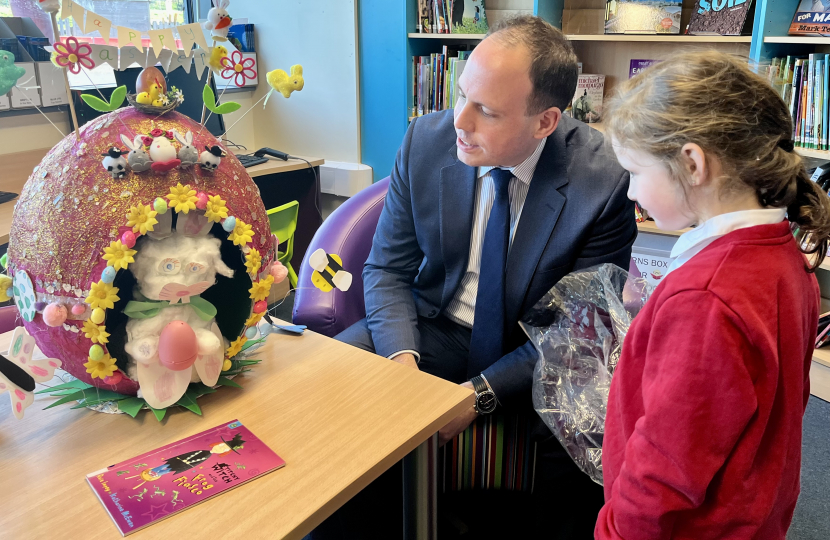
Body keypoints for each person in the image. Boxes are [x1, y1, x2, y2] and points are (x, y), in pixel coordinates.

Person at [310, 15, 636, 540]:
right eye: (462, 95)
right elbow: (387, 269)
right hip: (435, 324)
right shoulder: (426, 139)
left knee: (589, 425)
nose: (459, 120)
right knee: (340, 388)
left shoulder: (603, 181)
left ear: (545, 122)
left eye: (486, 110)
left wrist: (478, 395)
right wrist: (401, 367)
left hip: (537, 346)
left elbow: (576, 328)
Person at [596, 51, 829, 539]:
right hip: (753, 512)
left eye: (635, 173)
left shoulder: (705, 296)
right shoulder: (784, 257)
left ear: (692, 162)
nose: (630, 193)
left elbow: (664, 469)